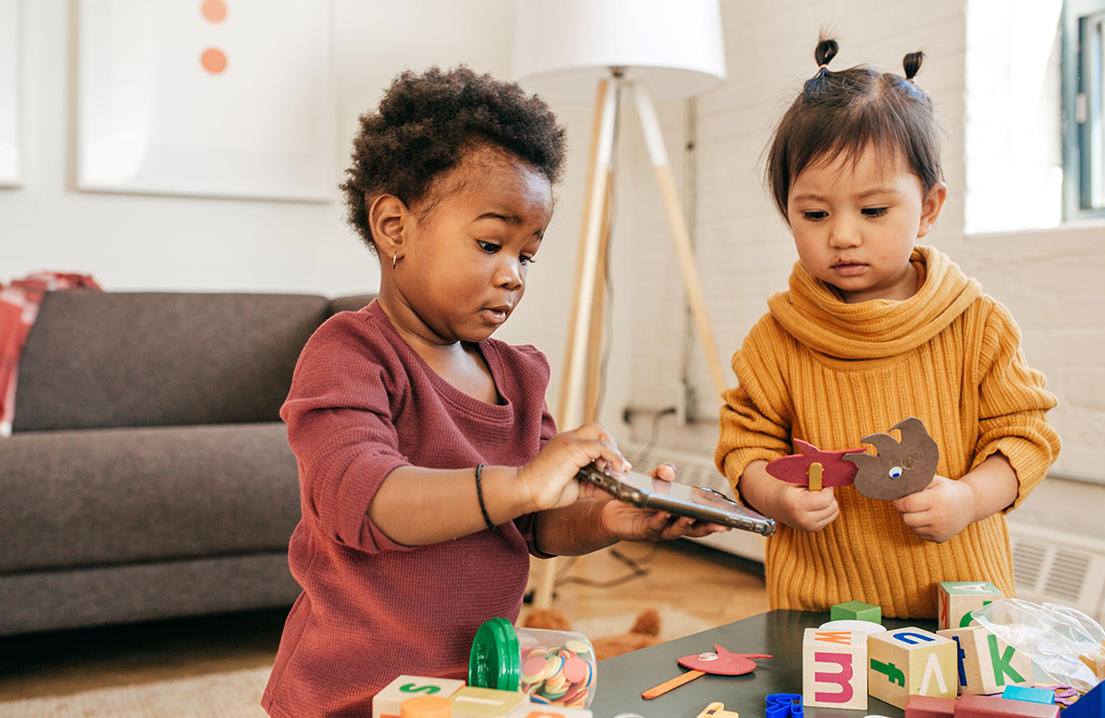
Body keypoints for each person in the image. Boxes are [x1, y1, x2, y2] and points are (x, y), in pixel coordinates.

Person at [261, 66, 724, 718]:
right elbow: (359, 500)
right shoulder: (349, 354)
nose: (513, 276)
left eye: (527, 254)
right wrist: (522, 483)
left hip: (480, 687)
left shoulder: (520, 374)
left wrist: (610, 517)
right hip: (350, 695)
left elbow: (538, 524)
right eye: (489, 244)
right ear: (395, 226)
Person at [714, 39, 1061, 619]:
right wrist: (775, 496)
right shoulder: (776, 339)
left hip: (960, 604)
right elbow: (743, 447)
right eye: (815, 214)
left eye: (873, 211)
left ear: (928, 209)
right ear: (787, 212)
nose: (843, 236)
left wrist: (970, 497)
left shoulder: (978, 324)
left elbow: (1025, 437)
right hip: (820, 609)